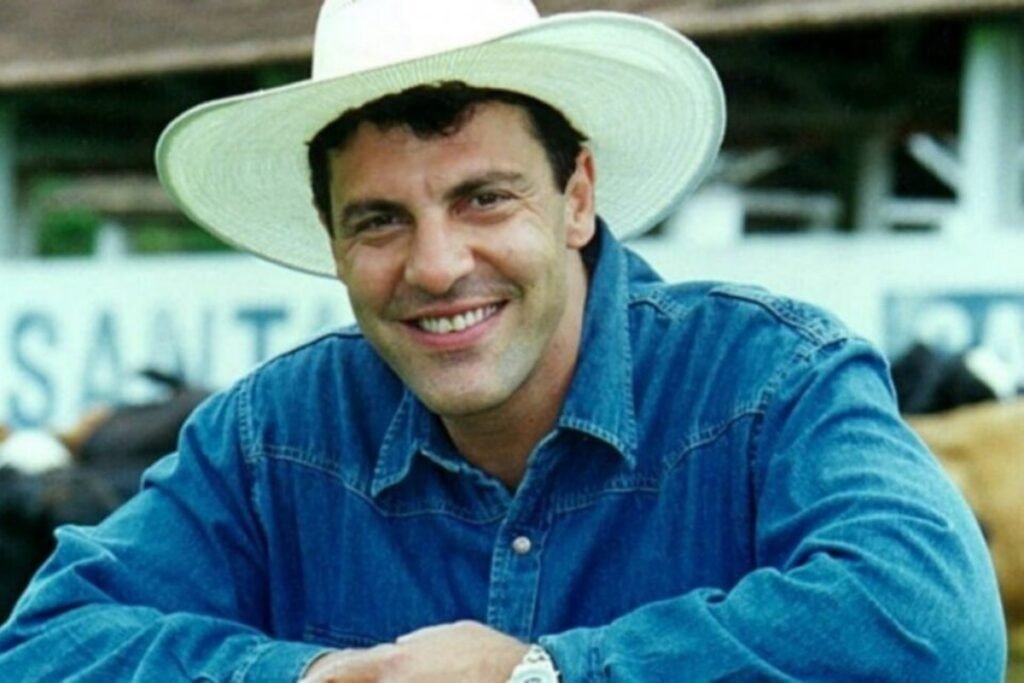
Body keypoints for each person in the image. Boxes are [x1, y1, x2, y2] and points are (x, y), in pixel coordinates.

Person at [0, 0, 1007, 680]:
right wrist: (317, 675)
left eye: (483, 198)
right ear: (333, 241)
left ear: (578, 196)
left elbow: (932, 626)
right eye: (379, 220)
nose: (437, 266)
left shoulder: (769, 378)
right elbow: (45, 644)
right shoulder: (271, 436)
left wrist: (543, 671)